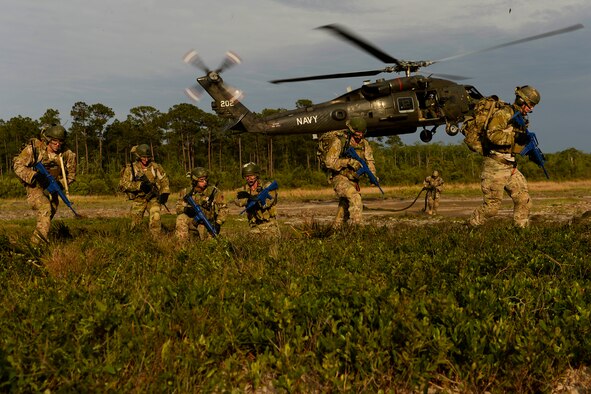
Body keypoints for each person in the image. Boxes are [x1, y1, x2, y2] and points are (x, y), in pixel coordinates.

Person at [469, 85, 540, 228]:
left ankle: (521, 233)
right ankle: (469, 228)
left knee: (523, 199)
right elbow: (492, 135)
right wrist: (515, 137)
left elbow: (516, 143)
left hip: (510, 166)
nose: (531, 108)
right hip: (495, 166)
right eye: (530, 104)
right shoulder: (503, 114)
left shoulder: (521, 119)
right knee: (491, 208)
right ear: (521, 100)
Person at [13, 123, 76, 244]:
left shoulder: (68, 154)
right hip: (35, 186)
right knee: (45, 208)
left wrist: (61, 184)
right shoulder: (34, 149)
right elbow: (17, 166)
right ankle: (37, 245)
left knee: (49, 213)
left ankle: (34, 242)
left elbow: (71, 176)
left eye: (60, 142)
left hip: (53, 187)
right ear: (48, 140)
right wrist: (34, 175)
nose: (58, 145)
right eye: (54, 142)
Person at [323, 117, 377, 227]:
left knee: (344, 207)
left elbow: (370, 161)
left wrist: (373, 176)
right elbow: (329, 162)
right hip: (339, 177)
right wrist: (348, 162)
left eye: (362, 133)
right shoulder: (340, 142)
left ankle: (335, 230)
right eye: (357, 133)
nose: (360, 136)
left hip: (353, 179)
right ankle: (357, 228)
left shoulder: (364, 144)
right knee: (355, 197)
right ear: (352, 130)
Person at [118, 144, 170, 235]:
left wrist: (165, 193)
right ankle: (136, 241)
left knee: (156, 216)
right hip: (138, 198)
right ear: (138, 156)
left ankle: (156, 239)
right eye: (143, 157)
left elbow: (164, 180)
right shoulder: (131, 168)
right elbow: (123, 184)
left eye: (148, 157)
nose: (146, 160)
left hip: (153, 198)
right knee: (135, 224)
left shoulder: (155, 167)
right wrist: (139, 185)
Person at [175, 167, 228, 241]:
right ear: (194, 181)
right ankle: (182, 247)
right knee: (181, 218)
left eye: (205, 179)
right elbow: (177, 208)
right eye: (201, 180)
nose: (205, 182)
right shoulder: (186, 192)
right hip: (192, 222)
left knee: (210, 245)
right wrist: (185, 209)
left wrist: (218, 223)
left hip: (208, 223)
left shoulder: (213, 191)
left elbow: (224, 208)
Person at [235, 162, 280, 238]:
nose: (249, 179)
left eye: (251, 176)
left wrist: (257, 200)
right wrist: (248, 200)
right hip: (254, 226)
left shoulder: (266, 186)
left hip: (269, 225)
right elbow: (237, 201)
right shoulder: (244, 190)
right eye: (246, 176)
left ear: (256, 175)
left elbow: (270, 201)